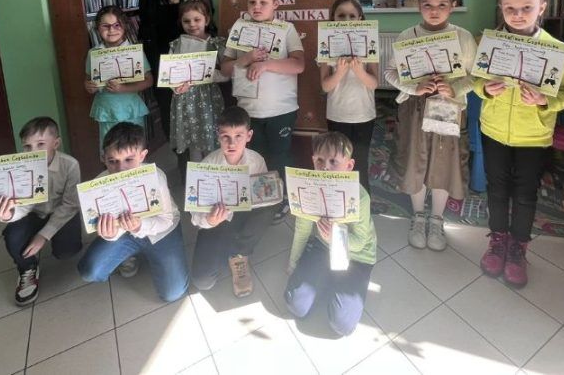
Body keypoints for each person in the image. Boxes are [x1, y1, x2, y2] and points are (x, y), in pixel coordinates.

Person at [475, 0, 564, 287]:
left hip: (533, 136)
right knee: (496, 189)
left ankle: (518, 247)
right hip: (494, 130)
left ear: (541, 8)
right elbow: (476, 81)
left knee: (524, 194)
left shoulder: (556, 50)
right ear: (501, 8)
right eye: (510, 8)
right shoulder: (491, 43)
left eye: (526, 8)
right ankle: (498, 240)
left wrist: (544, 100)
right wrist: (485, 89)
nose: (517, 15)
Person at [383, 0, 476, 252]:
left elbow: (475, 75)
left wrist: (455, 88)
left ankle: (436, 218)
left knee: (444, 162)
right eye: (427, 5)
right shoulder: (407, 36)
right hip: (415, 109)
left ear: (453, 6)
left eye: (442, 5)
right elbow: (390, 72)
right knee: (415, 160)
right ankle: (418, 216)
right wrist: (414, 87)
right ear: (418, 5)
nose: (434, 11)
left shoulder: (463, 37)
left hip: (449, 108)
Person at [220, 0, 305, 223]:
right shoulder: (239, 28)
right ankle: (259, 200)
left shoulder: (287, 29)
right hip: (248, 111)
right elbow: (225, 69)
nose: (257, 7)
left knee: (280, 156)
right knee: (255, 157)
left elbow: (299, 65)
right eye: (252, 2)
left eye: (263, 2)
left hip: (281, 110)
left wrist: (266, 64)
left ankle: (282, 199)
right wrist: (246, 58)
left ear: (276, 4)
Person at [76, 123, 189, 302]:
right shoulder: (99, 185)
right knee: (89, 271)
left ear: (142, 156)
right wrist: (109, 235)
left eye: (129, 160)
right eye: (113, 161)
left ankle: (153, 255)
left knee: (172, 293)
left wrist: (139, 226)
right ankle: (128, 254)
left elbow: (166, 220)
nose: (121, 169)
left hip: (161, 232)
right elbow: (101, 225)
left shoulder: (155, 176)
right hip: (124, 234)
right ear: (103, 158)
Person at [284, 132, 376, 337]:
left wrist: (334, 238)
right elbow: (302, 230)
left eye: (333, 161)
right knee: (295, 304)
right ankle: (323, 277)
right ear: (313, 161)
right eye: (320, 160)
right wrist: (293, 263)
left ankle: (336, 281)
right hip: (323, 247)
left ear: (349, 166)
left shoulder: (360, 197)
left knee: (341, 325)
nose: (325, 167)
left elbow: (360, 243)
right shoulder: (308, 188)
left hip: (357, 257)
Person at [0, 117, 82, 306]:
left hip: (61, 213)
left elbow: (70, 205)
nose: (33, 151)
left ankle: (55, 240)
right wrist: (8, 214)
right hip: (32, 213)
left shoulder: (70, 165)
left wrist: (43, 235)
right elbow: (22, 205)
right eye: (27, 146)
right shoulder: (19, 167)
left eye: (40, 144)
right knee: (13, 236)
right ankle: (27, 268)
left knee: (66, 252)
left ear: (56, 143)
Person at [189, 106, 273, 297]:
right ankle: (226, 246)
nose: (232, 143)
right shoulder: (206, 165)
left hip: (244, 216)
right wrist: (210, 220)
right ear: (218, 136)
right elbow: (195, 216)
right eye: (225, 136)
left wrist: (268, 192)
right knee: (203, 281)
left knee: (271, 205)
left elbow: (263, 199)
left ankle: (239, 254)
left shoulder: (256, 161)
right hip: (217, 221)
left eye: (238, 136)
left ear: (249, 136)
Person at [138, 0, 215, 142]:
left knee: (200, 115)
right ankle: (181, 157)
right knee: (170, 117)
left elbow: (210, 24)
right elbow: (146, 32)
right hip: (163, 65)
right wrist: (156, 68)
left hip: (196, 63)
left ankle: (203, 157)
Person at [319, 0, 378, 192]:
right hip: (337, 114)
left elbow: (374, 83)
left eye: (352, 16)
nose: (346, 20)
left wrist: (359, 71)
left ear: (360, 18)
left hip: (363, 114)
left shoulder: (369, 45)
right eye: (341, 15)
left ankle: (362, 203)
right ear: (333, 18)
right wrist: (340, 72)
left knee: (359, 161)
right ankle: (339, 200)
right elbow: (325, 86)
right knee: (337, 161)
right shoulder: (326, 46)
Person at [169, 0, 225, 179]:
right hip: (186, 100)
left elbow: (226, 74)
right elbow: (170, 74)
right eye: (187, 21)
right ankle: (198, 182)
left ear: (206, 20)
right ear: (181, 22)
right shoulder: (176, 45)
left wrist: (204, 75)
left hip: (208, 99)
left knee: (212, 140)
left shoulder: (216, 43)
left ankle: (214, 179)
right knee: (194, 142)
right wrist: (176, 87)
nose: (192, 24)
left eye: (197, 19)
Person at [84, 5, 153, 151]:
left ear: (124, 26)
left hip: (131, 108)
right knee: (111, 149)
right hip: (106, 110)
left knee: (134, 148)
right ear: (97, 28)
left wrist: (124, 88)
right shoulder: (94, 53)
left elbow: (148, 80)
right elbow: (89, 80)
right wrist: (89, 86)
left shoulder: (134, 51)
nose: (111, 30)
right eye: (105, 26)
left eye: (117, 25)